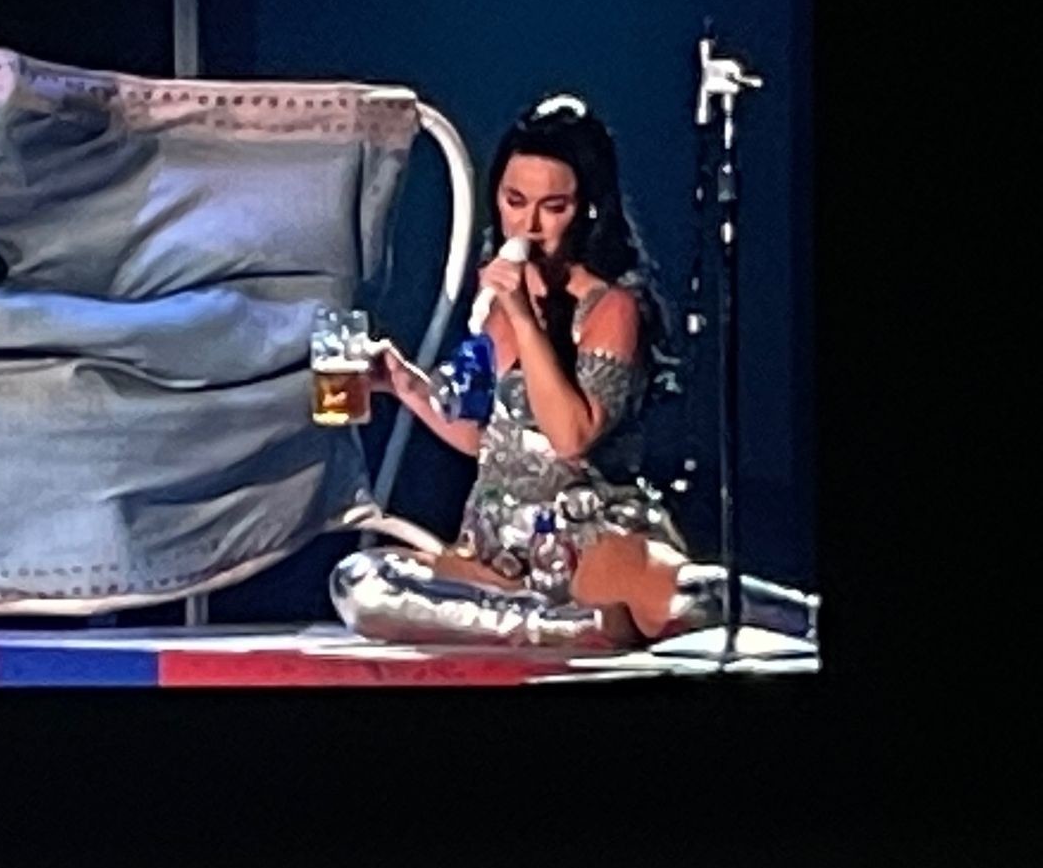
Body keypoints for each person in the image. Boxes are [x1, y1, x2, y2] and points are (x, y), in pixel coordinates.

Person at [332, 93, 817, 649]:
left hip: (586, 543)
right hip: (496, 553)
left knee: (689, 602)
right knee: (362, 582)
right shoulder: (492, 306)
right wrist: (402, 382)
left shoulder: (612, 307)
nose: (529, 226)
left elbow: (570, 438)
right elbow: (483, 436)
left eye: (553, 207)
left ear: (587, 208)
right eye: (515, 201)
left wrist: (523, 316)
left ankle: (803, 617)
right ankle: (565, 627)